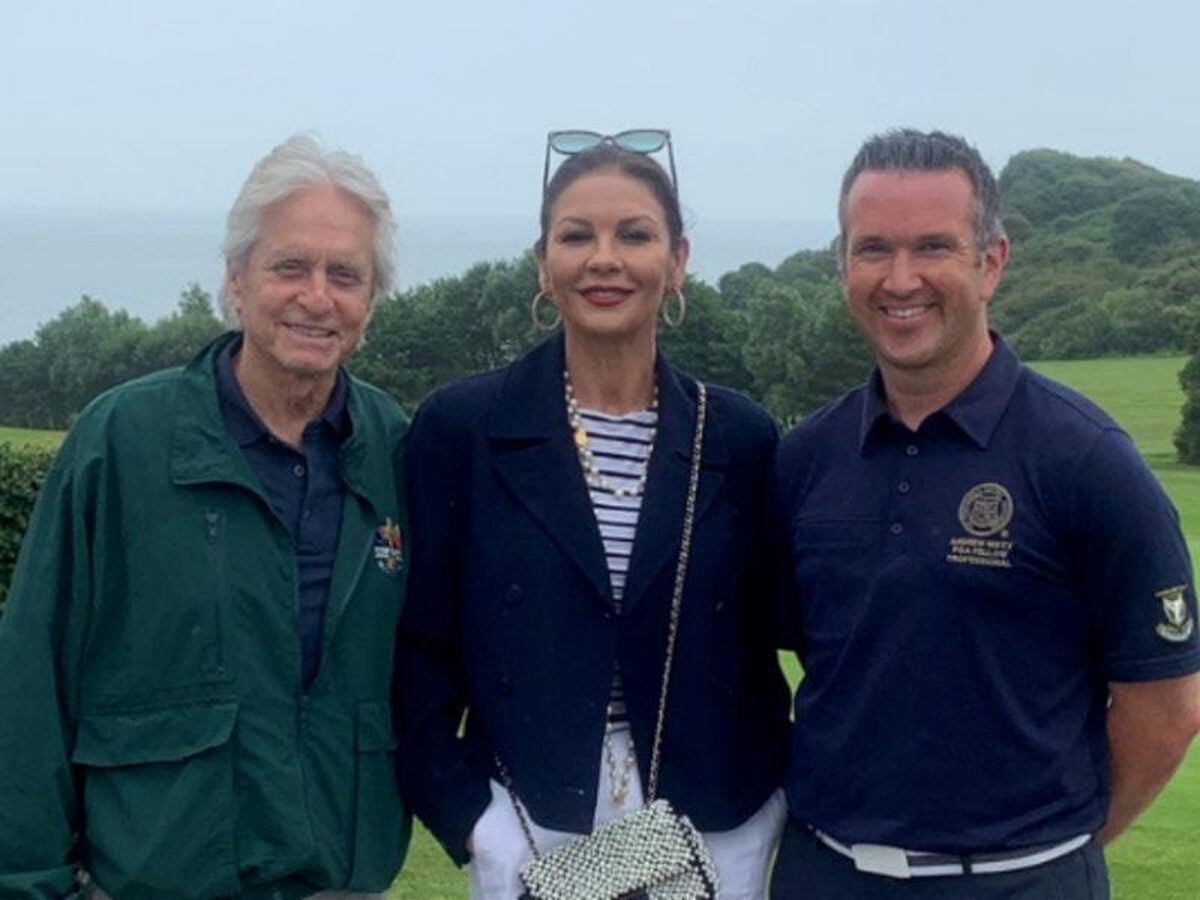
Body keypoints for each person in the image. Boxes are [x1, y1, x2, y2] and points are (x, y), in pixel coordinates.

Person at [770, 128, 1200, 899]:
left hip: (1020, 884)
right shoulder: (805, 457)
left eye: (933, 247)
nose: (901, 279)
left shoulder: (1087, 461)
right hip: (822, 873)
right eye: (873, 250)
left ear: (991, 262)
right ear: (844, 263)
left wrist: (1056, 849)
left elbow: (1166, 707)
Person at [0, 134, 411, 899]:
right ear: (236, 281)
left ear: (370, 299)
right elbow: (31, 681)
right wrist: (30, 883)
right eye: (290, 266)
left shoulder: (394, 450)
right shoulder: (121, 441)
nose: (317, 297)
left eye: (345, 275)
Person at [396, 131, 791, 899]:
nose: (604, 258)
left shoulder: (739, 437)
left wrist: (766, 809)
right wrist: (479, 825)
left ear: (676, 262)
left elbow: (790, 635)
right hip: (533, 824)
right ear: (544, 265)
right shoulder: (461, 429)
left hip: (713, 829)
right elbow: (417, 657)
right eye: (577, 236)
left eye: (634, 235)